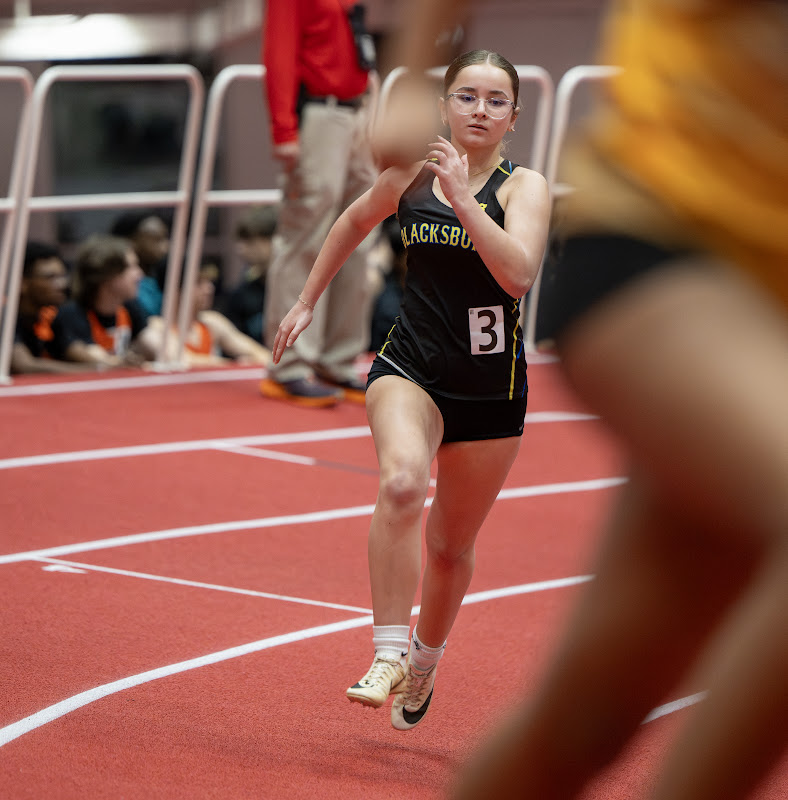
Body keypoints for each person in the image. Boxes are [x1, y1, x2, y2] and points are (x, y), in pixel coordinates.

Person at [381, 1, 788, 798]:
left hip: (771, 296)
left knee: (586, 723)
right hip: (667, 235)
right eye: (471, 98)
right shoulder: (489, 179)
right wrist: (414, 69)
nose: (480, 111)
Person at [272, 49, 551, 730]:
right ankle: (388, 652)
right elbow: (351, 222)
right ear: (446, 106)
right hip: (412, 365)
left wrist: (464, 199)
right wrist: (307, 301)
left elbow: (517, 275)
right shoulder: (410, 173)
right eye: (466, 96)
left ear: (512, 117)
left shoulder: (525, 189)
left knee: (451, 548)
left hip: (489, 388)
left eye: (494, 101)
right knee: (400, 484)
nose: (478, 110)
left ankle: (425, 661)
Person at [260, 0, 380, 407]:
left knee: (360, 237)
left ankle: (337, 359)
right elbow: (278, 51)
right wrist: (283, 129)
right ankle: (289, 363)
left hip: (357, 111)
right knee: (306, 236)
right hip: (320, 113)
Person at [50, 234, 156, 369]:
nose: (140, 274)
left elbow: (156, 344)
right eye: (131, 267)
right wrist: (122, 363)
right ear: (108, 274)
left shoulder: (129, 308)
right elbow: (91, 357)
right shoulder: (71, 314)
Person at [139, 262, 271, 368]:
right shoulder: (155, 327)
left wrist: (248, 360)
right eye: (199, 283)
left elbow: (261, 354)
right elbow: (182, 361)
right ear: (174, 290)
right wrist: (236, 364)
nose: (209, 288)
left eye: (209, 282)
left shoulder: (212, 322)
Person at [11, 242, 95, 375]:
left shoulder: (51, 316)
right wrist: (94, 370)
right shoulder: (5, 316)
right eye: (51, 277)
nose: (62, 284)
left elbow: (77, 352)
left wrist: (112, 364)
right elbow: (24, 365)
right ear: (22, 283)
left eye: (63, 276)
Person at [224, 205, 278, 345]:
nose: (240, 249)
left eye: (250, 240)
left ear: (274, 240)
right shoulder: (241, 294)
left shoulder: (301, 291)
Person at [110, 210, 170, 316]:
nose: (165, 247)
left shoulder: (161, 277)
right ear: (131, 240)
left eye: (165, 238)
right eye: (156, 239)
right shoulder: (116, 282)